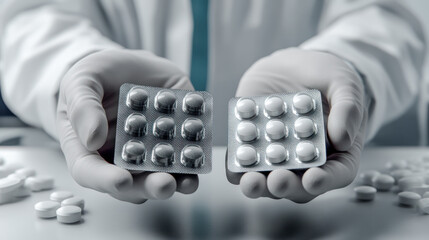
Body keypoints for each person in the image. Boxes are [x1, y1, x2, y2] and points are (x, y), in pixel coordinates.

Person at [0, 0, 425, 203]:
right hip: (112, 200)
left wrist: (348, 65)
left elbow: (386, 15)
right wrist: (74, 68)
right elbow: (32, 15)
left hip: (323, 207)